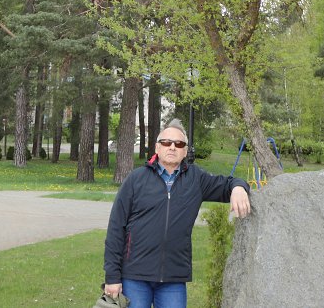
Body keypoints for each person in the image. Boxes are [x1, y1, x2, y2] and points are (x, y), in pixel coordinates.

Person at [103, 119, 250, 307]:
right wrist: (112, 277)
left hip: (173, 280)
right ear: (157, 147)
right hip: (134, 276)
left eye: (179, 144)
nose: (172, 147)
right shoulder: (136, 179)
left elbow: (228, 183)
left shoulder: (196, 179)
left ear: (185, 151)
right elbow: (116, 228)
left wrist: (239, 188)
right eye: (166, 142)